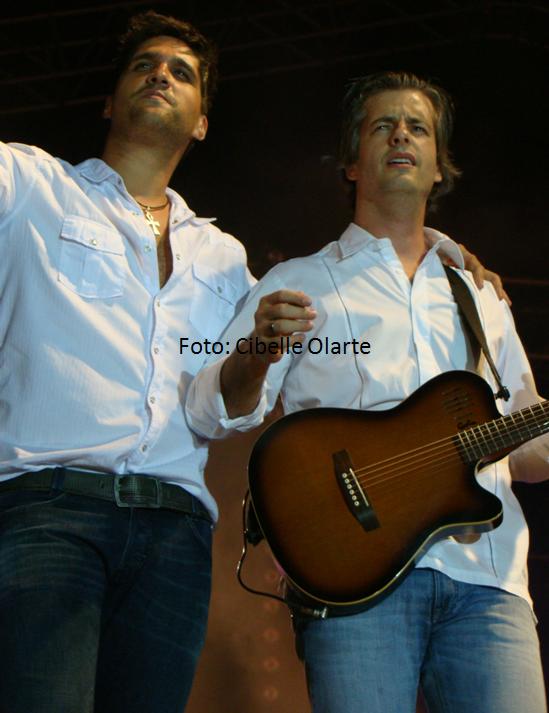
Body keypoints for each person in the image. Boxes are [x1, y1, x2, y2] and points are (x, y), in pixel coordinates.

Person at [186, 71, 548, 713]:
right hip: (353, 578)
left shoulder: (479, 294)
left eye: (418, 128)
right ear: (352, 163)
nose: (401, 135)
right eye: (383, 125)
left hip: (490, 581)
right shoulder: (299, 280)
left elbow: (530, 450)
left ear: (440, 167)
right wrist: (256, 351)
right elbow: (211, 409)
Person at [0, 11, 255, 713]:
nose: (161, 75)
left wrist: (431, 248)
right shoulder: (30, 185)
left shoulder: (224, 257)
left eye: (182, 72)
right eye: (144, 64)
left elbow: (227, 405)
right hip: (49, 507)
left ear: (201, 122)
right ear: (109, 102)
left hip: (176, 531)